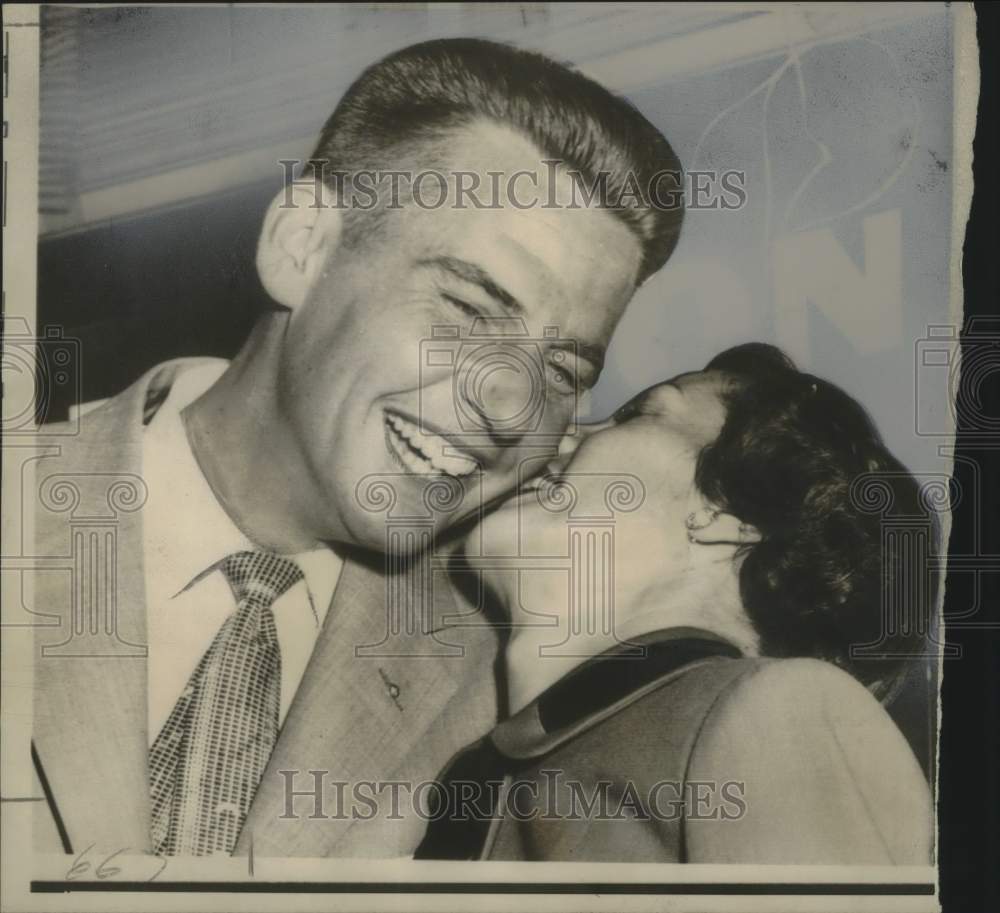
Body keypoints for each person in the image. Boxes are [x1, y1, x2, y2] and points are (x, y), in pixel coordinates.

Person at [30, 38, 683, 857]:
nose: (513, 405)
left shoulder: (501, 687)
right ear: (301, 246)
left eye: (563, 367)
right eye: (471, 308)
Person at [417, 343, 936, 864]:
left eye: (637, 414)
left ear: (726, 516)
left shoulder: (782, 713)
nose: (567, 433)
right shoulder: (487, 772)